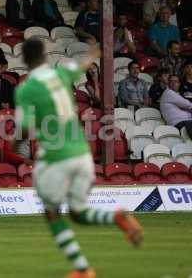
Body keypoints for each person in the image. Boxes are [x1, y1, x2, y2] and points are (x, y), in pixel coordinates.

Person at [15, 38, 143, 278]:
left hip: (55, 157)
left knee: (52, 213)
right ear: (45, 57)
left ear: (24, 60)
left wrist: (13, 143)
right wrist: (94, 51)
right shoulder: (61, 74)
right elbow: (82, 64)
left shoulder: (26, 88)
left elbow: (23, 127)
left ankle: (82, 269)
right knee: (78, 213)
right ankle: (117, 217)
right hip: (83, 154)